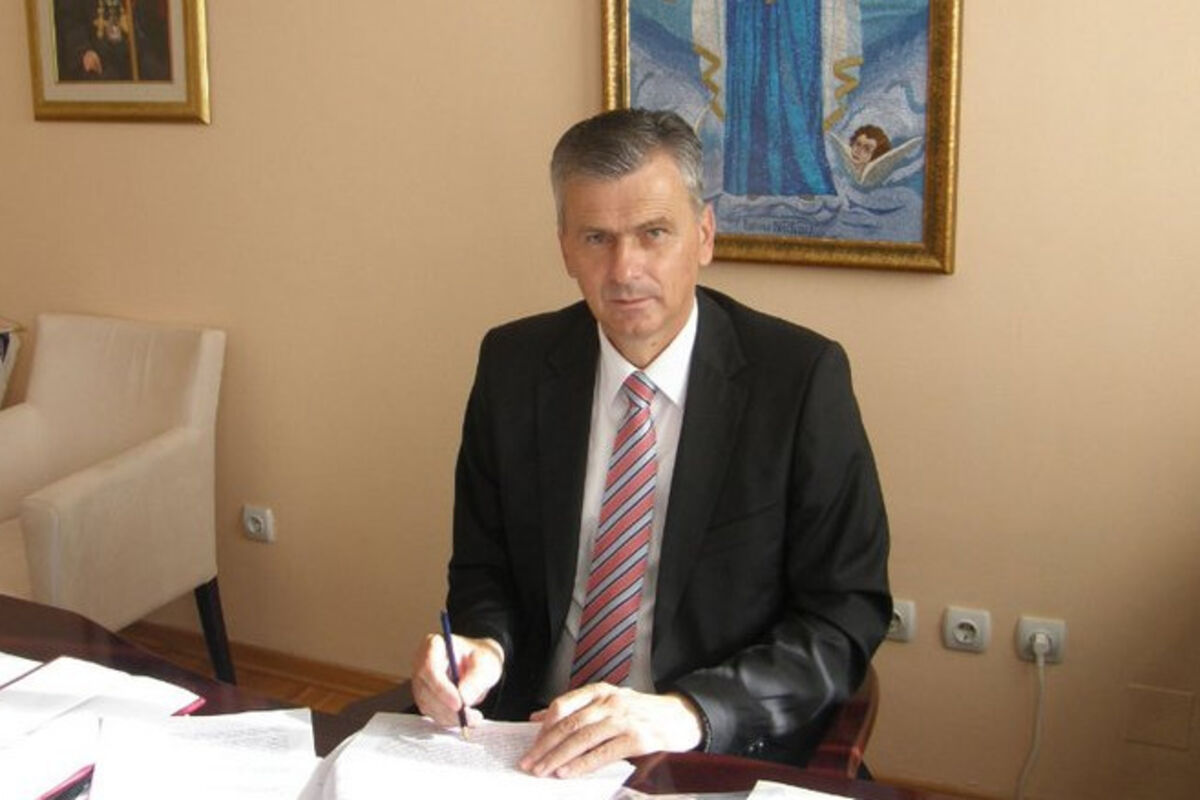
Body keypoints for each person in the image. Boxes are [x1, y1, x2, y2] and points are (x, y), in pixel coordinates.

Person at [411, 108, 891, 779]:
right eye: (596, 238)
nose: (624, 269)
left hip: (708, 746)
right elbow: (484, 569)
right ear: (565, 248)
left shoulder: (800, 380)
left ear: (704, 236)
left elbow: (844, 615)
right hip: (531, 742)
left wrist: (688, 712)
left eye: (654, 233)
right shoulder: (512, 365)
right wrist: (484, 647)